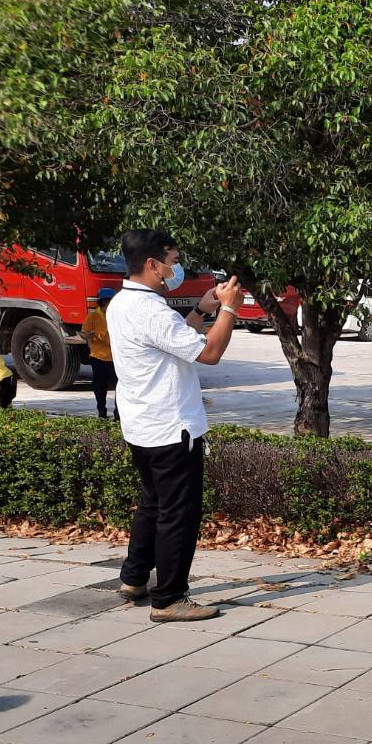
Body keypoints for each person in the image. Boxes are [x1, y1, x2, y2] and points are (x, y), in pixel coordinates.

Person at [106, 228, 242, 622]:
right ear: (153, 264)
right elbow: (209, 352)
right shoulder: (152, 311)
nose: (176, 268)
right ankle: (169, 598)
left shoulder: (123, 303)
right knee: (178, 514)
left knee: (153, 504)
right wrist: (229, 309)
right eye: (173, 260)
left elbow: (176, 340)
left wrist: (201, 310)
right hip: (171, 428)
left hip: (142, 426)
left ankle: (134, 578)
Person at [85, 287, 119, 419]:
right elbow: (84, 332)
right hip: (98, 357)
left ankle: (118, 414)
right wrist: (90, 335)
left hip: (115, 357)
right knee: (100, 387)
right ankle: (102, 412)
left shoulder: (117, 315)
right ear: (103, 302)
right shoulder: (93, 316)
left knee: (119, 387)